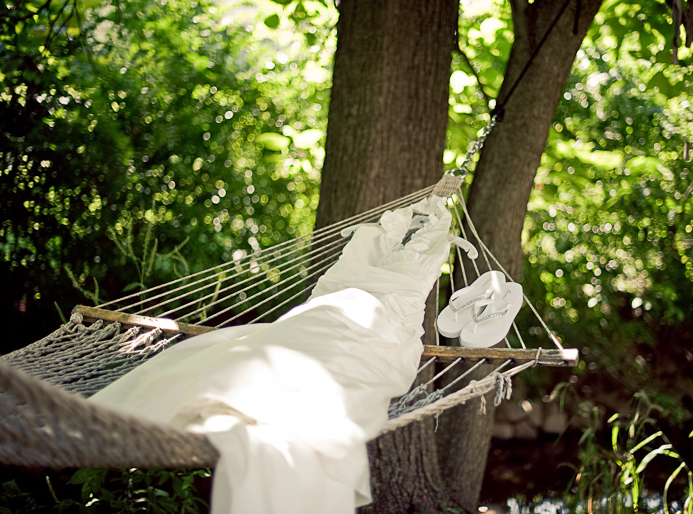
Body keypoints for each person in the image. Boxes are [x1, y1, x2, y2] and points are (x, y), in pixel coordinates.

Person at [89, 196, 453, 514]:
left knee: (310, 367)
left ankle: (253, 394)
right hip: (322, 315)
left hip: (379, 328)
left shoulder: (431, 237)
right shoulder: (379, 237)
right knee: (288, 353)